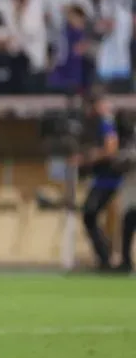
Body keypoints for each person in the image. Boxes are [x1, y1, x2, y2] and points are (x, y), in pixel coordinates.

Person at [76, 88, 122, 272]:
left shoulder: (105, 121)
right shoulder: (101, 122)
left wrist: (86, 158)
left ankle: (106, 259)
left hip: (108, 179)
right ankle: (105, 258)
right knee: (91, 216)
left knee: (89, 215)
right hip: (103, 178)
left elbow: (111, 149)